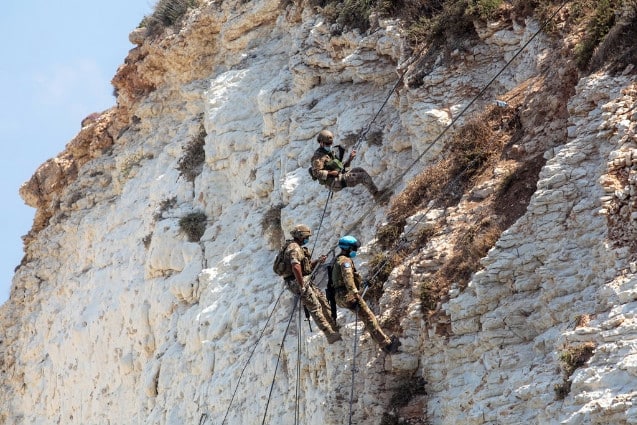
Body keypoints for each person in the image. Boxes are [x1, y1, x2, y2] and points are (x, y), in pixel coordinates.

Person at [331, 235, 401, 354]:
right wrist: (356, 295)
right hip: (348, 296)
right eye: (354, 248)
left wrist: (362, 284)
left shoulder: (337, 259)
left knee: (366, 318)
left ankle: (383, 344)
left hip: (340, 296)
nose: (355, 251)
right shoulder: (345, 261)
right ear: (348, 248)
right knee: (369, 318)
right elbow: (348, 280)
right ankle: (387, 345)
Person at [281, 224, 342, 344]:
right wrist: (301, 285)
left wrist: (318, 261)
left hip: (303, 279)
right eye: (306, 236)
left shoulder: (296, 246)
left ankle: (333, 325)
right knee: (314, 307)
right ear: (301, 236)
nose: (307, 239)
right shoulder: (294, 248)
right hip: (297, 282)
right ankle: (329, 334)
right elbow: (296, 266)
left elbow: (305, 267)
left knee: (322, 300)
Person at [310, 129, 388, 201]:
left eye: (330, 143)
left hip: (339, 176)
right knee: (363, 176)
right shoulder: (318, 157)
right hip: (334, 182)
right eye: (327, 144)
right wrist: (331, 173)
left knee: (359, 170)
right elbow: (316, 173)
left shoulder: (329, 152)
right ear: (321, 142)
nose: (329, 145)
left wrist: (350, 159)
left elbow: (340, 168)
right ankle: (377, 196)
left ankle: (375, 193)